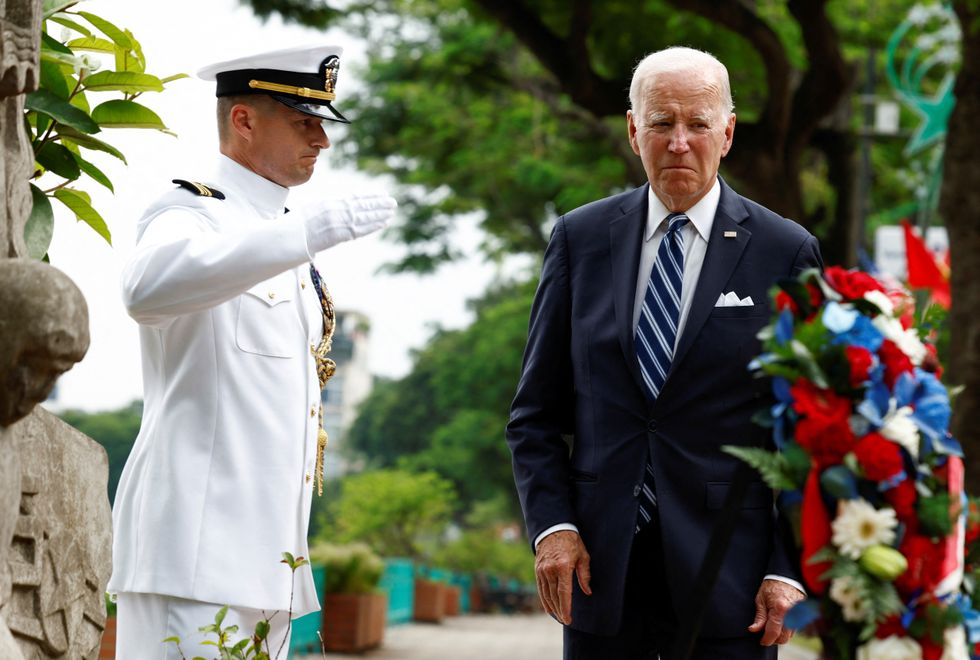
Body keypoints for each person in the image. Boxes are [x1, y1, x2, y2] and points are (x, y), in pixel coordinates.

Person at [506, 46, 823, 659]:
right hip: (599, 573)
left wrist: (790, 568)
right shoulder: (580, 239)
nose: (679, 142)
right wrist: (554, 528)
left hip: (732, 581)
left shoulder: (786, 252)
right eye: (661, 122)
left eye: (698, 124)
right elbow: (535, 415)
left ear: (726, 133)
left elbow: (808, 430)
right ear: (633, 130)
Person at [107, 45, 396, 656]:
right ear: (243, 120)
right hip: (192, 553)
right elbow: (145, 289)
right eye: (303, 121)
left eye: (322, 122)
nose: (321, 139)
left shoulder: (276, 235)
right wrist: (305, 233)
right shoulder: (191, 211)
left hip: (268, 562)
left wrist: (294, 237)